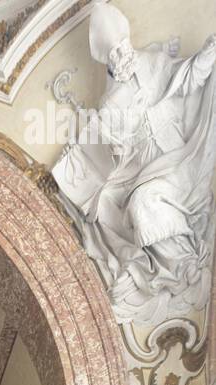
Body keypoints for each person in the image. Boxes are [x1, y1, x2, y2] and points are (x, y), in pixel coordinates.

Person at [52, 1, 216, 322]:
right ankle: (181, 267)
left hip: (179, 159)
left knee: (144, 202)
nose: (122, 55)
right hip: (147, 174)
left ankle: (185, 262)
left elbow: (186, 78)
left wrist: (208, 54)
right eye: (114, 52)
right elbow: (118, 157)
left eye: (123, 47)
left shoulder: (152, 63)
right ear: (107, 59)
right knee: (137, 203)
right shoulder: (109, 104)